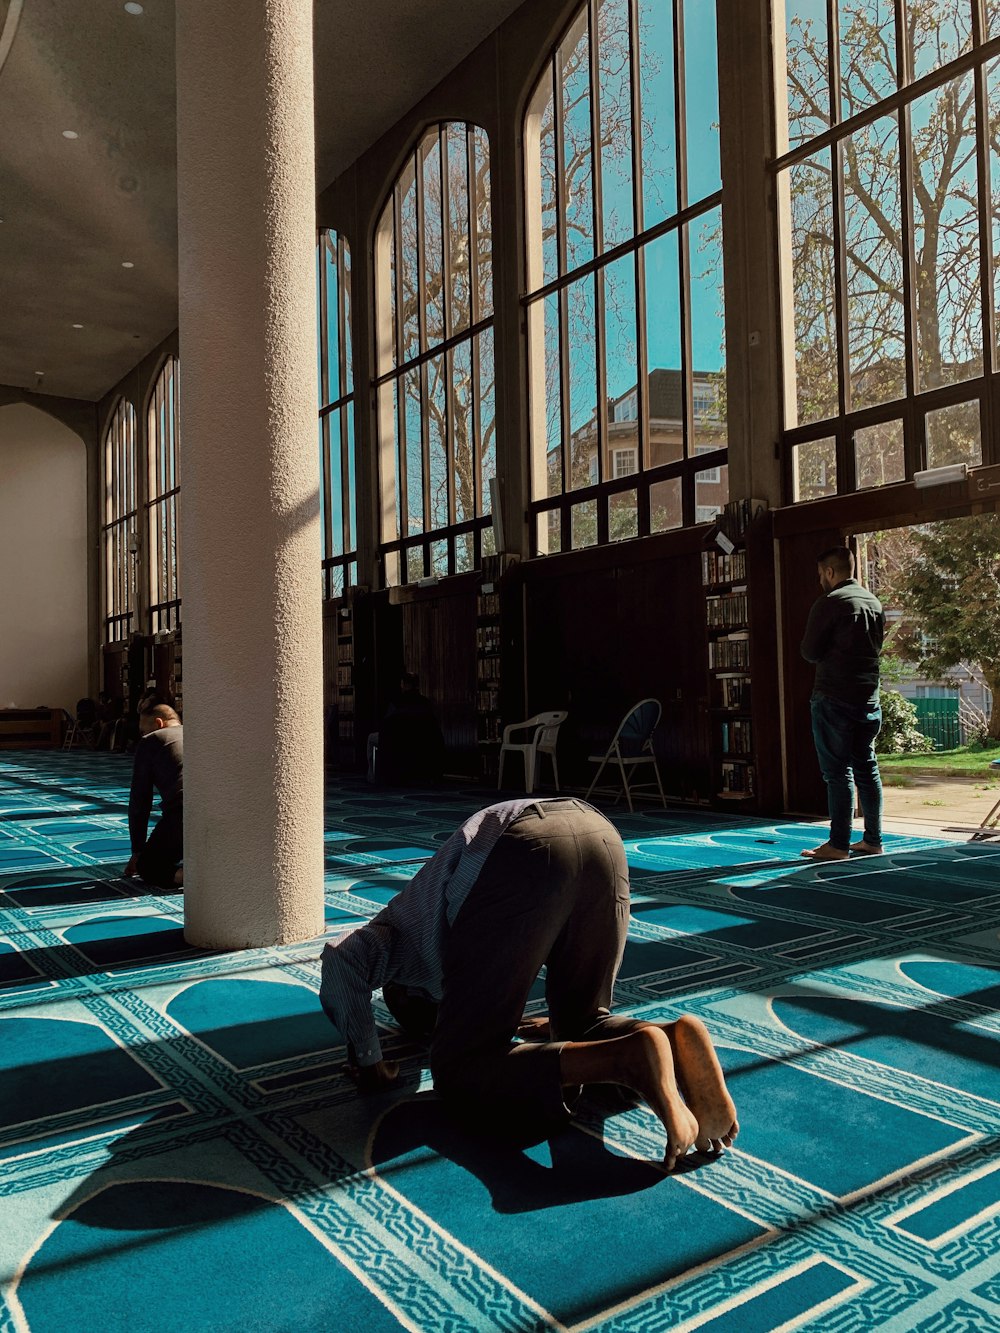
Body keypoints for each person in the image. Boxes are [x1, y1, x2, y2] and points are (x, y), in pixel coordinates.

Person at [319, 797, 738, 1171]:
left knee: (459, 1069)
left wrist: (369, 1061)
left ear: (405, 993)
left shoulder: (397, 937)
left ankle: (628, 1058)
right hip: (599, 834)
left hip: (523, 846)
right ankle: (670, 1035)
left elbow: (340, 960)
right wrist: (550, 1030)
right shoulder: (451, 943)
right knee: (583, 1022)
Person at [800, 545, 886, 861]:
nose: (820, 579)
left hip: (834, 696)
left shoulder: (829, 602)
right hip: (868, 697)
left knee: (837, 772)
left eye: (821, 573)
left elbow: (809, 651)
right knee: (867, 768)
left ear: (830, 572)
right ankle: (873, 840)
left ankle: (837, 844)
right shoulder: (873, 603)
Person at [124, 702, 184, 889]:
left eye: (143, 730)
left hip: (183, 813)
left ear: (159, 723)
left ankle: (196, 879)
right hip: (225, 808)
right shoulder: (198, 733)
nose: (142, 735)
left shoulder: (152, 739)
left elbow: (140, 801)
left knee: (149, 867)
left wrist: (138, 851)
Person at [367, 670, 445, 785]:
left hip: (398, 740)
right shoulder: (426, 702)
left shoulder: (396, 702)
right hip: (422, 739)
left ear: (403, 684)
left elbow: (386, 726)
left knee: (371, 738)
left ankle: (373, 777)